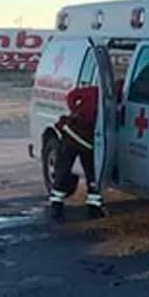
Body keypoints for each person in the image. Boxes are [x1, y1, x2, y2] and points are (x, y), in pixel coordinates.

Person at [49, 82, 105, 221]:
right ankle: (58, 204)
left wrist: (75, 109)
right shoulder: (97, 92)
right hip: (77, 136)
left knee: (79, 171)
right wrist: (75, 111)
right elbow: (72, 96)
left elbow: (72, 96)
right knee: (73, 170)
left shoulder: (97, 92)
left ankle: (92, 205)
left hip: (82, 137)